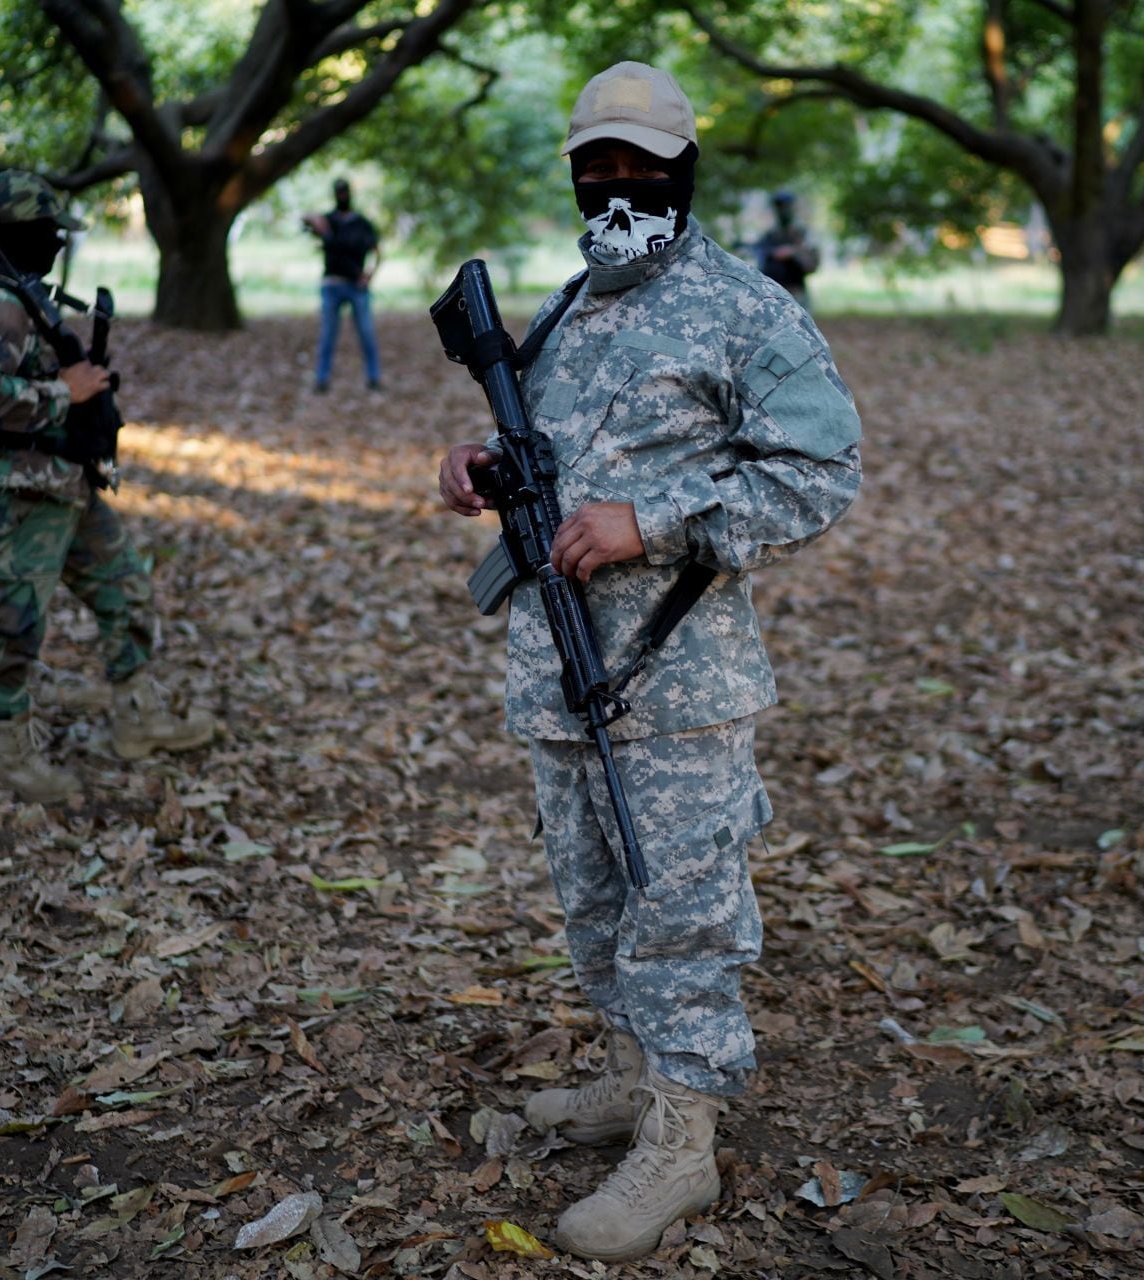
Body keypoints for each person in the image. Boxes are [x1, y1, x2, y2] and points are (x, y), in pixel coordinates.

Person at [436, 63, 861, 1261]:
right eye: (597, 166)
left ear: (686, 172)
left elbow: (822, 474)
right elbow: (555, 447)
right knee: (594, 900)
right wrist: (482, 464)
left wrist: (654, 519)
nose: (619, 185)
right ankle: (636, 1075)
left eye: (643, 166)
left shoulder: (747, 309)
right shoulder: (568, 304)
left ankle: (684, 1136)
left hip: (678, 679)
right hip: (559, 670)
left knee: (680, 911)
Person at [0, 170, 216, 804]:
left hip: (66, 483)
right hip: (23, 491)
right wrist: (67, 392)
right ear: (18, 232)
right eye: (49, 232)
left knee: (126, 589)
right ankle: (9, 748)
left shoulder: (23, 294)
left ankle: (137, 714)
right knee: (14, 622)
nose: (58, 243)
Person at [302, 178, 382, 393]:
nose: (342, 196)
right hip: (332, 285)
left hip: (357, 287)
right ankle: (322, 379)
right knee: (327, 336)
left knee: (366, 334)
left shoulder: (362, 223)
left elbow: (377, 252)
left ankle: (374, 378)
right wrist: (317, 223)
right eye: (339, 192)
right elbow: (304, 219)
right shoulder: (328, 221)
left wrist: (370, 275)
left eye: (344, 192)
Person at [754, 189, 819, 307]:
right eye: (779, 206)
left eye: (786, 206)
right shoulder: (769, 236)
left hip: (795, 292)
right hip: (772, 293)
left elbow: (811, 266)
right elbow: (759, 259)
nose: (783, 210)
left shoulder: (802, 234)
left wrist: (793, 253)